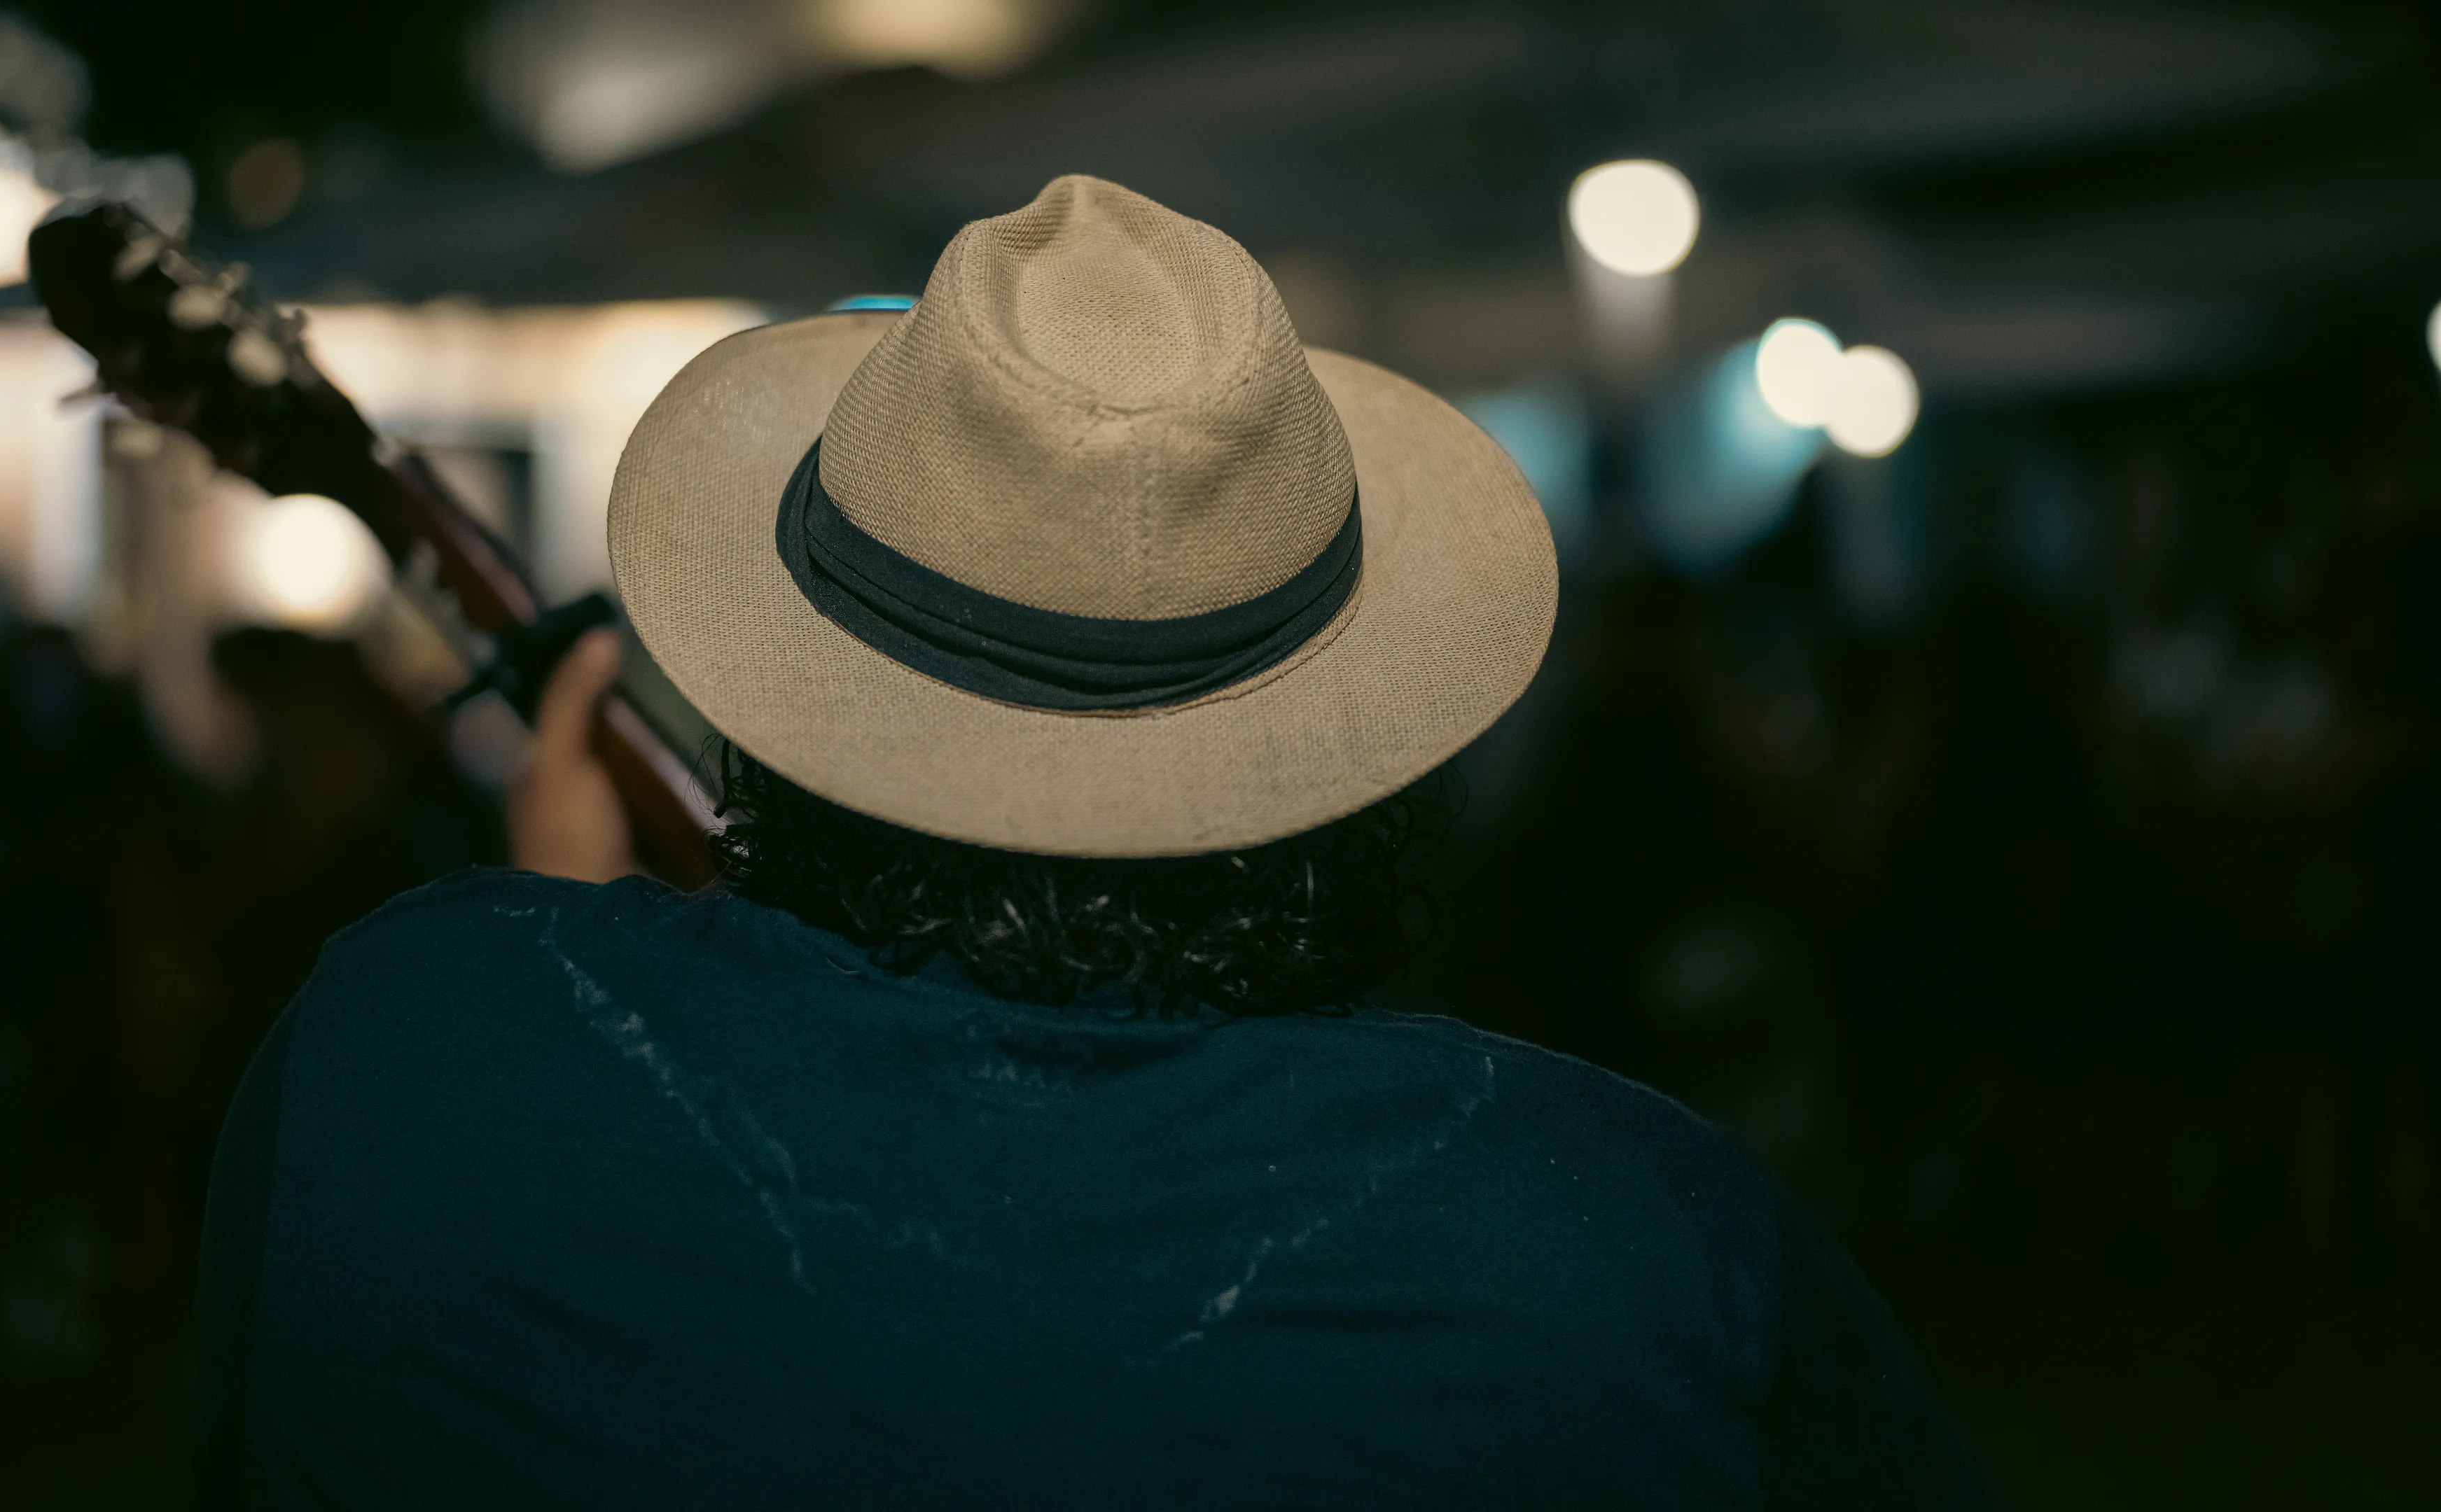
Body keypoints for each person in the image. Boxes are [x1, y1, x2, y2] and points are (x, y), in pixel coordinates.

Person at [195, 175, 1998, 1508]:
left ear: (796, 686)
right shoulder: (1635, 1249)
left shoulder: (400, 1054)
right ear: (1339, 754)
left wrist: (569, 950)